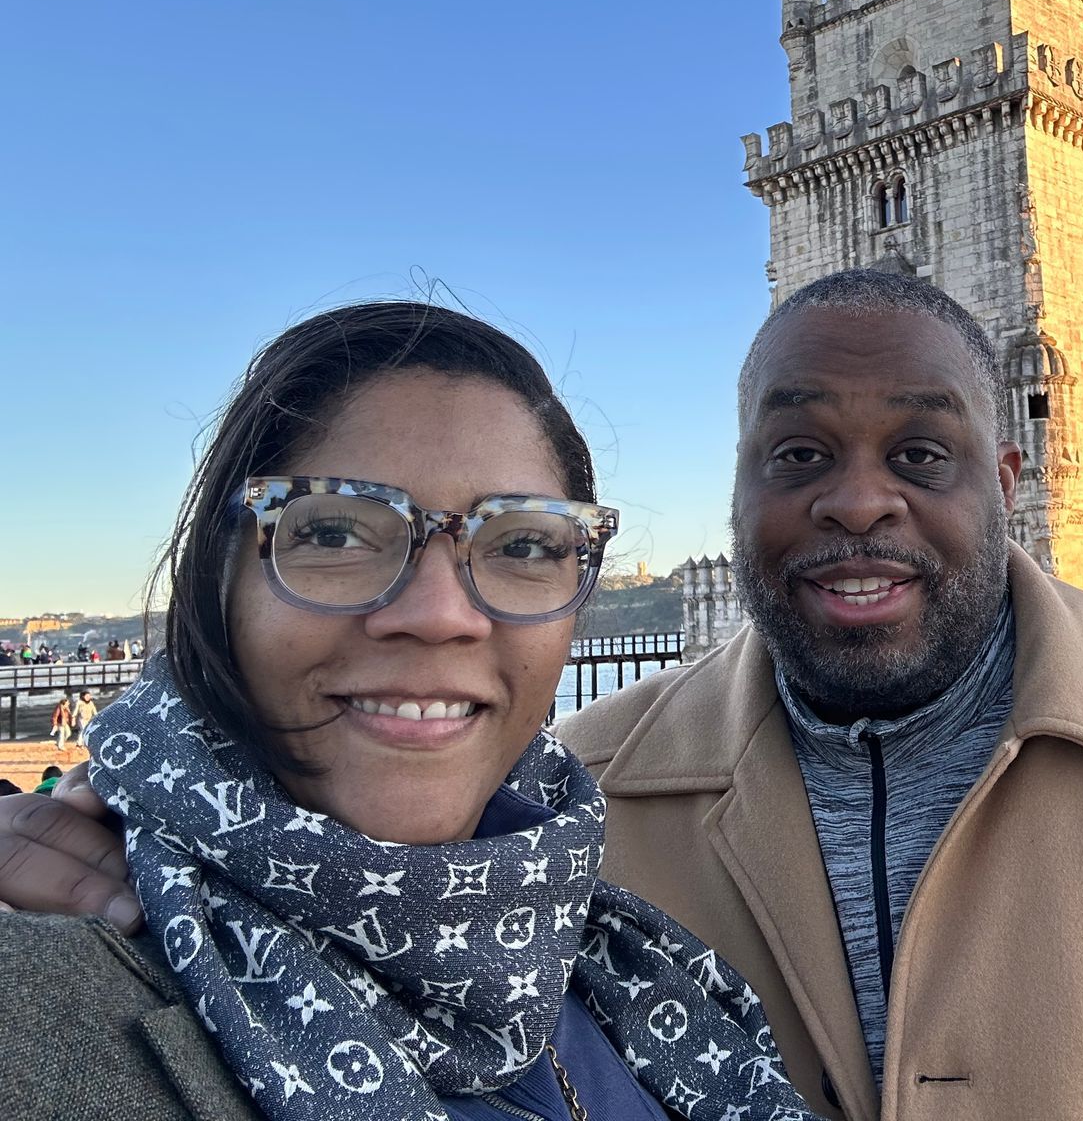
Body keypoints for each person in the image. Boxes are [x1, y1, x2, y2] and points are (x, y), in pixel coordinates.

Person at [0, 274, 1083, 1120]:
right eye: (336, 530)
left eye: (921, 454)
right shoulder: (581, 797)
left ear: (1012, 472)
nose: (857, 501)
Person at [0, 302, 817, 1121]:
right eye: (335, 533)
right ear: (219, 576)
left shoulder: (625, 962)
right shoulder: (40, 982)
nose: (439, 614)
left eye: (522, 544)